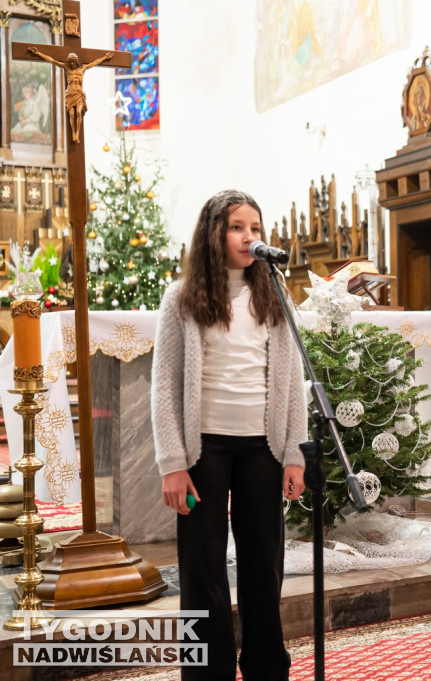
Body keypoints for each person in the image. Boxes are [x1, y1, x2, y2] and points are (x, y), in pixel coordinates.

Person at [152, 190, 307, 681]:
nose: (249, 237)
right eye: (238, 227)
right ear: (214, 234)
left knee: (264, 566)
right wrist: (172, 463)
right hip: (203, 453)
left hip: (263, 449)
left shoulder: (275, 297)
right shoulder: (181, 299)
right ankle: (206, 673)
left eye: (256, 228)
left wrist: (295, 454)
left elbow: (293, 386)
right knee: (203, 570)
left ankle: (266, 668)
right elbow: (164, 386)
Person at [26, 47, 112, 143]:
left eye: (73, 62)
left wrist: (105, 57)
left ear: (76, 61)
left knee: (79, 112)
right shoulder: (66, 68)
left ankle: (76, 133)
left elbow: (94, 62)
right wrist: (38, 53)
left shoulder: (83, 68)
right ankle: (73, 134)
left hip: (79, 93)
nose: (71, 64)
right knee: (71, 114)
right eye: (70, 62)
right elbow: (52, 60)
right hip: (70, 94)